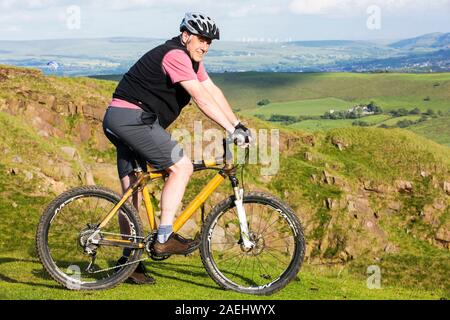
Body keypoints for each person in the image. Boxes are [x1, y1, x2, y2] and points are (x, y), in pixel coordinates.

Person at [102, 13, 252, 285]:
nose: (205, 46)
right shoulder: (175, 55)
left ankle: (128, 263)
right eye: (201, 39)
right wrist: (230, 130)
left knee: (131, 192)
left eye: (209, 42)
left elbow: (212, 90)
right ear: (185, 36)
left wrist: (237, 124)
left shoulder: (192, 61)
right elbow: (200, 98)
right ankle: (163, 238)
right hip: (132, 120)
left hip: (119, 119)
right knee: (180, 166)